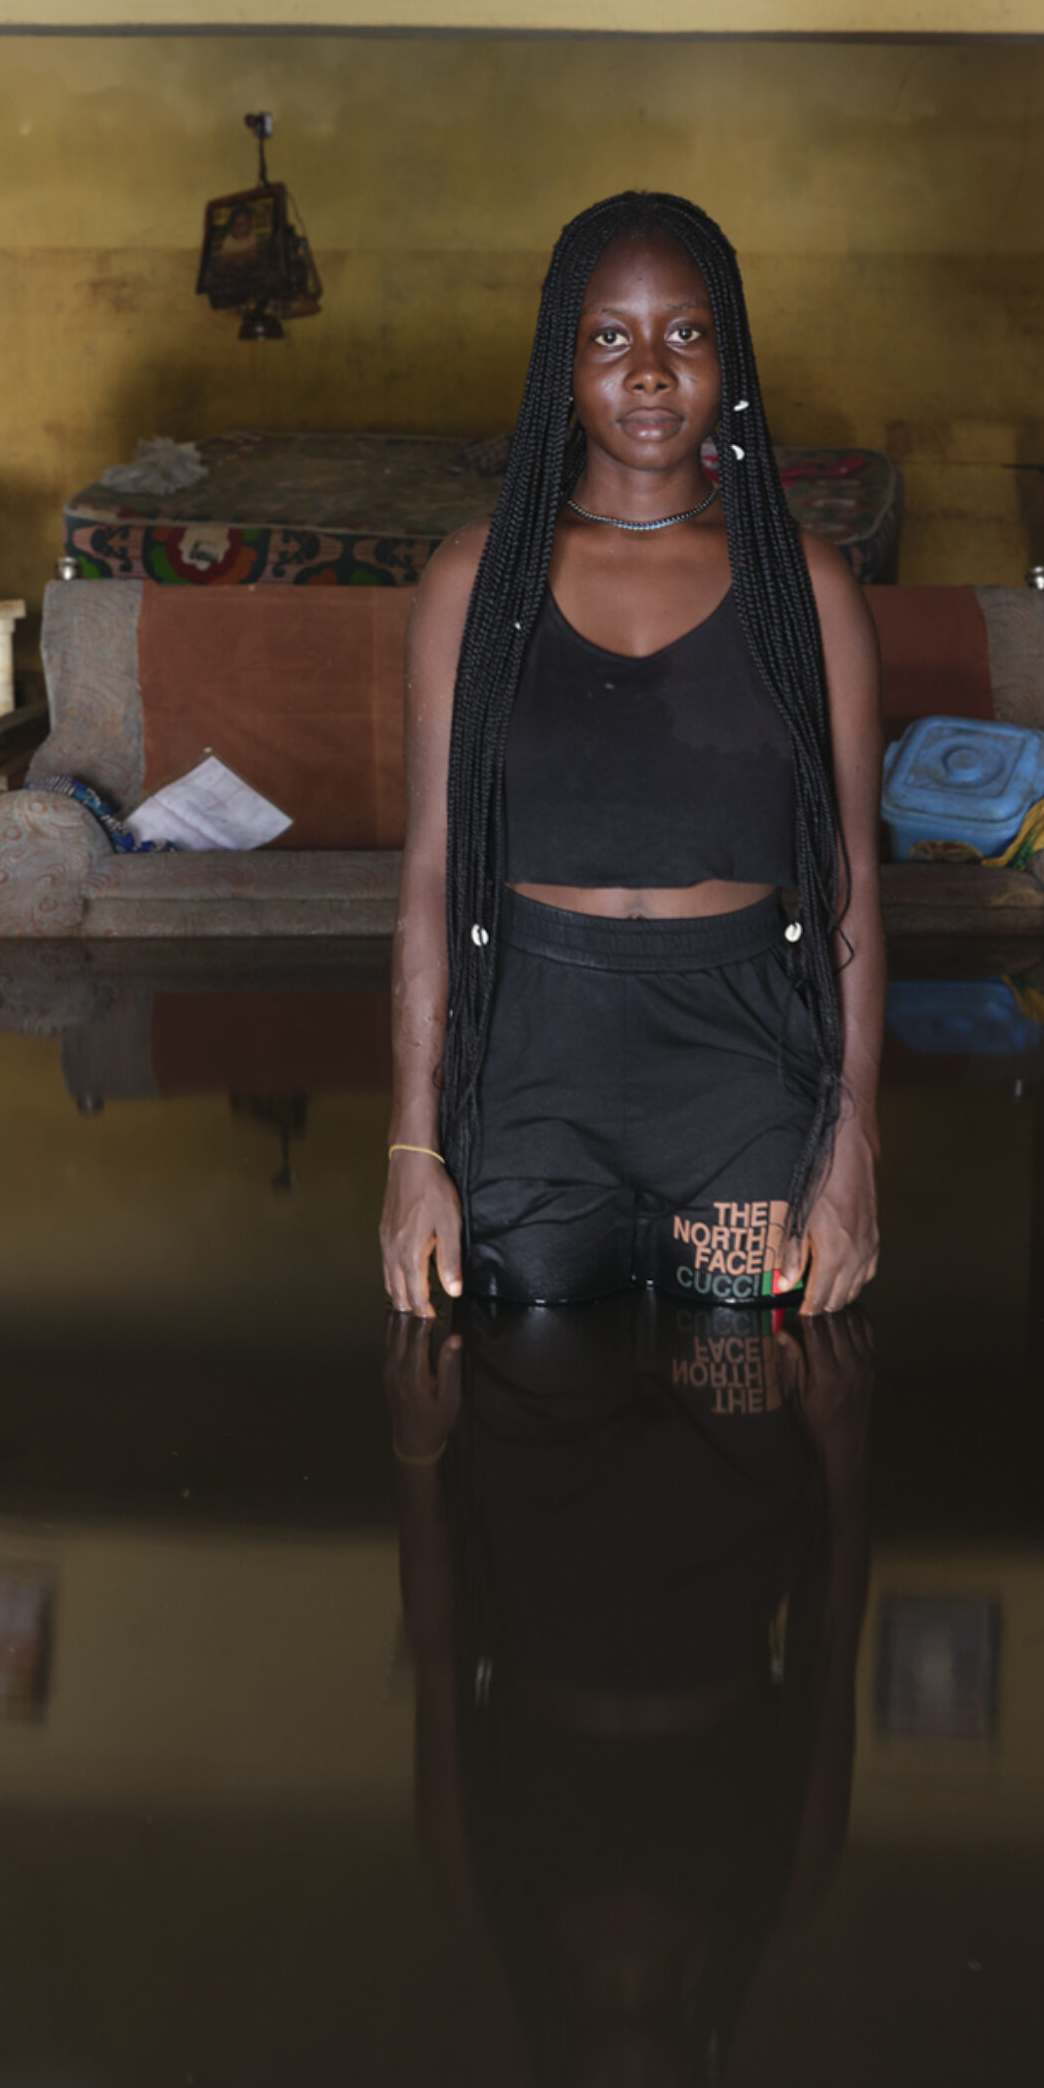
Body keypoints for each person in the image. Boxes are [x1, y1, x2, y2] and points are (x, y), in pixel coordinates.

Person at [379, 193, 884, 1316]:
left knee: (745, 1387)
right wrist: (413, 1150)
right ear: (562, 364)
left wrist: (854, 1153)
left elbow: (850, 887)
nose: (648, 371)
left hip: (744, 1072)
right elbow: (428, 871)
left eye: (685, 334)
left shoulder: (808, 587)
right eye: (609, 336)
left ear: (728, 357)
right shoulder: (475, 581)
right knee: (527, 1403)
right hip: (530, 1065)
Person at [388, 1300, 871, 2088]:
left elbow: (440, 1659)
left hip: (542, 1499)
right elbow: (829, 1660)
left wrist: (418, 1451)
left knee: (561, 1262)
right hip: (726, 1510)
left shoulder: (478, 1892)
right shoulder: (781, 1896)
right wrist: (841, 1448)